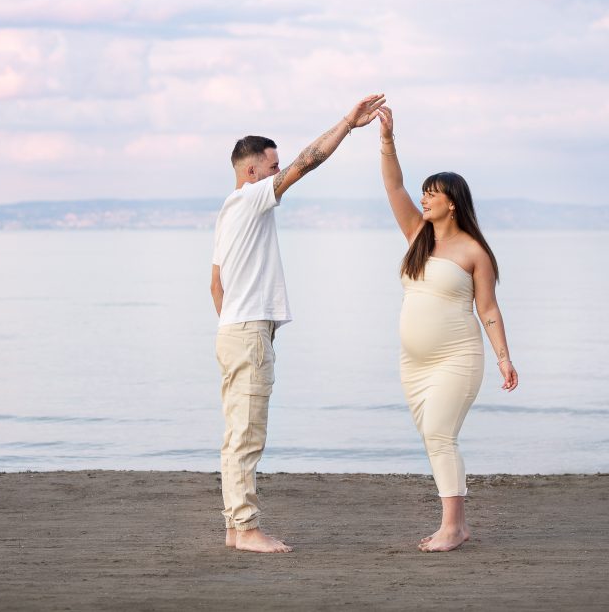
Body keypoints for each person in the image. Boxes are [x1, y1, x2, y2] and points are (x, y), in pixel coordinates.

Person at [210, 94, 386, 554]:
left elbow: (215, 285)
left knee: (236, 435)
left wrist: (236, 322)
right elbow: (309, 162)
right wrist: (347, 123)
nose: (279, 173)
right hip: (247, 331)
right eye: (272, 167)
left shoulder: (228, 210)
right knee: (247, 436)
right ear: (252, 171)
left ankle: (235, 528)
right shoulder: (252, 198)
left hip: (234, 330)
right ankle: (247, 530)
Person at [376, 105, 519, 552]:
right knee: (433, 438)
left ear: (452, 202)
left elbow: (488, 309)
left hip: (457, 358)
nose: (423, 199)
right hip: (413, 363)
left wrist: (504, 358)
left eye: (431, 194)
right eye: (423, 193)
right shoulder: (417, 236)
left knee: (440, 435)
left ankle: (453, 527)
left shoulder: (475, 252)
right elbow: (393, 186)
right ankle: (457, 524)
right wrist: (387, 141)